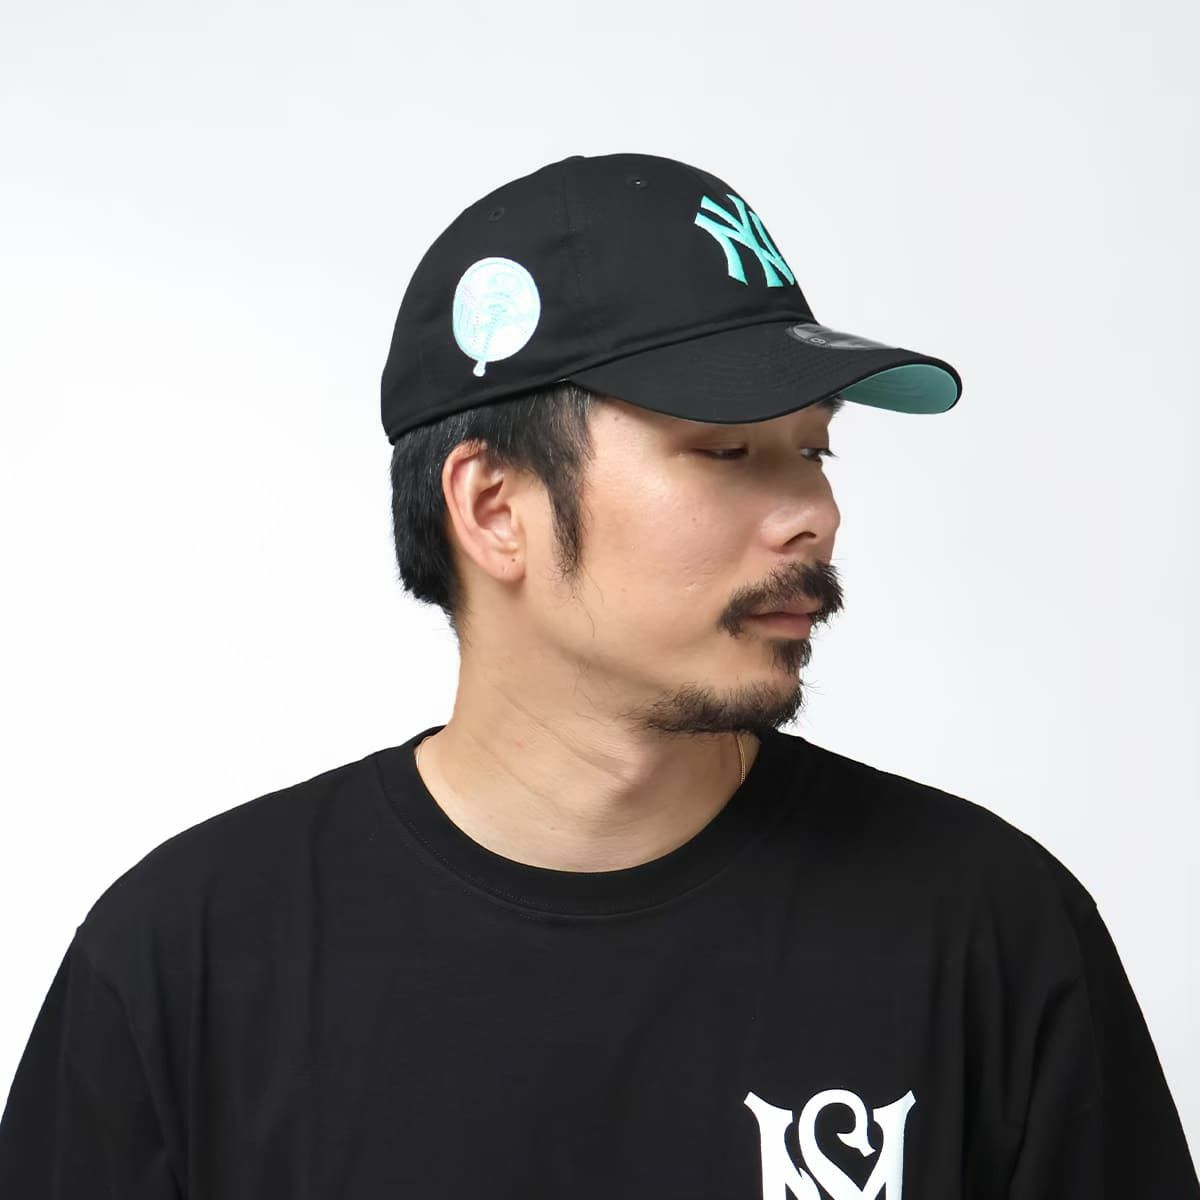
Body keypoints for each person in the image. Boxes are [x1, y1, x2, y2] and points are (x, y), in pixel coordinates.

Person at [1, 151, 1195, 1197]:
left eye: (815, 449)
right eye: (726, 450)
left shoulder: (988, 935)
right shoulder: (189, 965)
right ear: (494, 508)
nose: (813, 515)